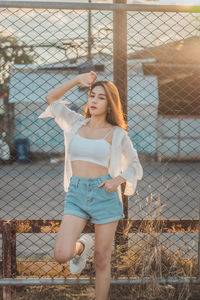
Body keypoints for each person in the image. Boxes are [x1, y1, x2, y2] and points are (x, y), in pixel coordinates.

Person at [38, 71, 143, 300]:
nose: (94, 101)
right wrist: (77, 80)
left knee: (102, 259)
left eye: (101, 98)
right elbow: (51, 98)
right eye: (92, 95)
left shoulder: (117, 134)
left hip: (104, 196)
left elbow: (135, 165)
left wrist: (117, 179)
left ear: (110, 104)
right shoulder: (76, 123)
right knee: (61, 253)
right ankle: (82, 245)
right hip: (76, 193)